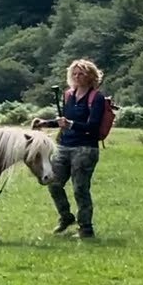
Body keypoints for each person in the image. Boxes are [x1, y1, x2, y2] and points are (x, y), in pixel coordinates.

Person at [30, 59, 106, 238]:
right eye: (74, 74)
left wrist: (71, 124)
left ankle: (86, 228)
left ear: (91, 76)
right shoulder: (68, 95)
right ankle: (66, 217)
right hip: (64, 146)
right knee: (53, 183)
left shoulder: (97, 98)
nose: (77, 77)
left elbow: (93, 126)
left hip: (85, 148)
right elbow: (64, 122)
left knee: (80, 188)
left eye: (82, 74)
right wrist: (45, 123)